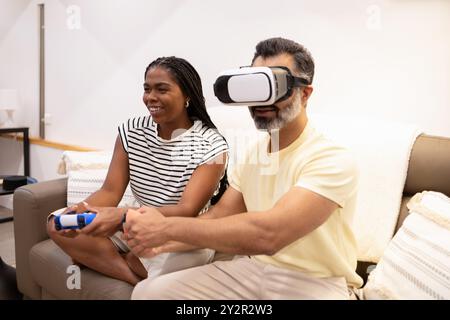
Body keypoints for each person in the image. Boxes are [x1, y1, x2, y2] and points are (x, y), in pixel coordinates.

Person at [125, 37, 363, 299]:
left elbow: (269, 235)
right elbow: (219, 217)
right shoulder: (254, 153)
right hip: (255, 268)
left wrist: (165, 229)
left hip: (314, 283)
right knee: (149, 294)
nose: (262, 102)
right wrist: (160, 243)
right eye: (255, 88)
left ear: (304, 94)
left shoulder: (331, 158)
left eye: (275, 88)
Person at [47, 56, 229, 286]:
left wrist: (124, 217)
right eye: (147, 89)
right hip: (132, 224)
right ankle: (132, 277)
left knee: (140, 258)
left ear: (187, 96)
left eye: (161, 89)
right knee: (57, 223)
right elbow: (111, 191)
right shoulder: (131, 131)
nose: (151, 97)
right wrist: (84, 210)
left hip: (180, 231)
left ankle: (109, 259)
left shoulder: (211, 145)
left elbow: (186, 209)